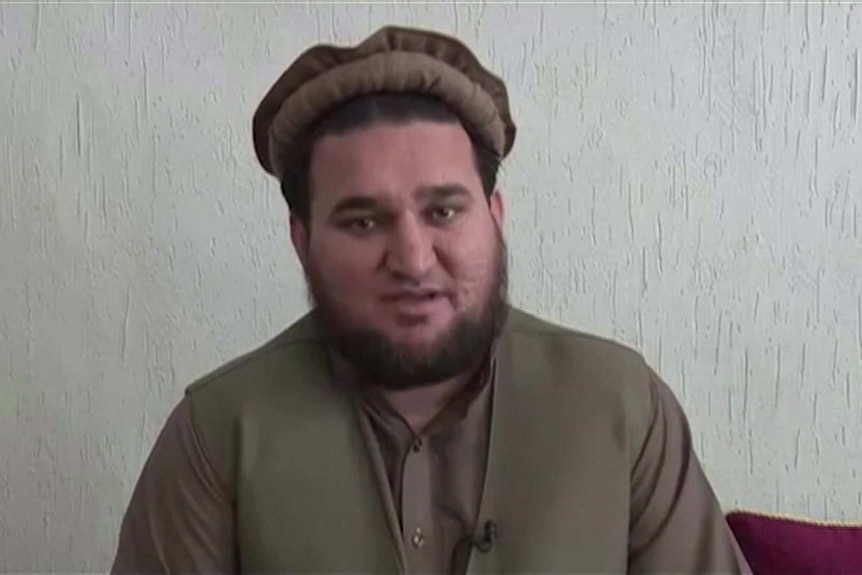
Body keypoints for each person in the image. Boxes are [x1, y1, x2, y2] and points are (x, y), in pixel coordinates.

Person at [111, 25, 751, 574]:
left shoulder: (622, 407)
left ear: (495, 217)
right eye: (362, 222)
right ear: (302, 241)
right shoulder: (218, 435)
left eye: (443, 210)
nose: (414, 260)